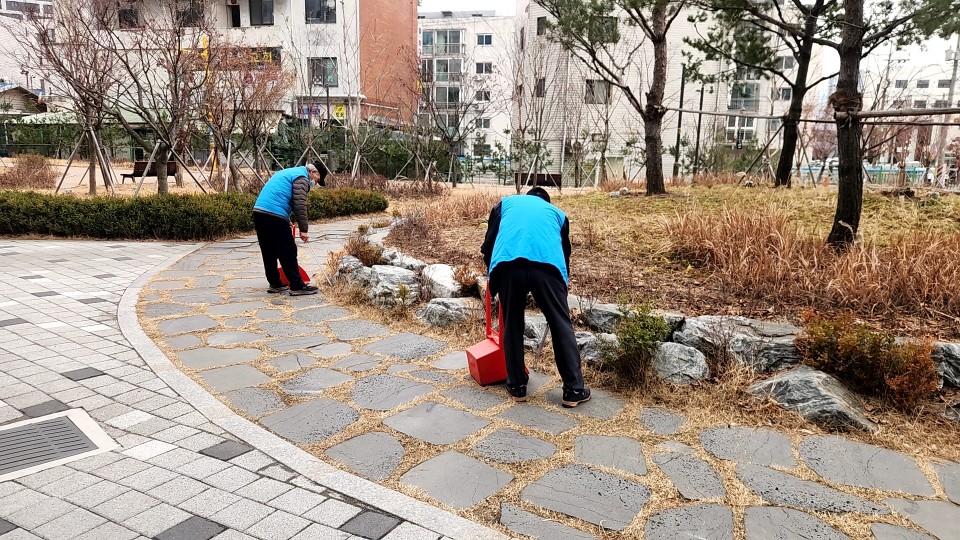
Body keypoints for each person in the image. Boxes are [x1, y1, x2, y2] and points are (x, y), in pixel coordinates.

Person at [480, 186, 591, 407]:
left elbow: (488, 245)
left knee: (512, 323)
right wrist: (561, 289)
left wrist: (495, 275)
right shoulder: (557, 214)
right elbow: (564, 255)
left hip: (509, 265)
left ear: (527, 197)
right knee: (560, 324)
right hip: (547, 267)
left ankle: (517, 386)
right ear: (546, 202)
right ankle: (573, 390)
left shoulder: (505, 204)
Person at [253, 163, 324, 296]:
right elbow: (300, 204)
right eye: (317, 180)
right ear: (313, 172)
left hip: (259, 211)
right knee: (288, 250)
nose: (315, 183)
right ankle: (297, 285)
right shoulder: (302, 178)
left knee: (268, 250)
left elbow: (280, 195)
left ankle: (275, 283)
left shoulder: (290, 172)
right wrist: (304, 230)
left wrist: (286, 219)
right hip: (274, 213)